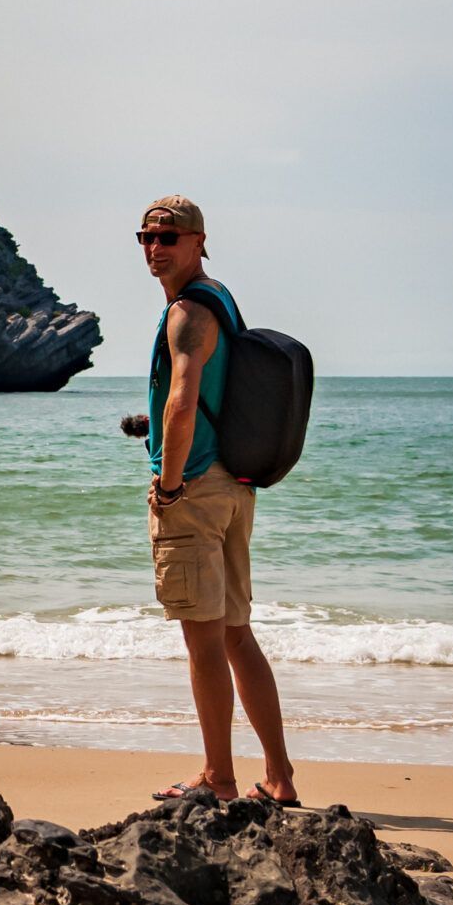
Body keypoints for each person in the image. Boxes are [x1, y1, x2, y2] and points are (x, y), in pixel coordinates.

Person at [138, 194, 298, 805]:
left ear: (200, 242)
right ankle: (278, 778)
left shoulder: (187, 314)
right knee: (235, 635)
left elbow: (182, 401)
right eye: (147, 237)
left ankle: (219, 779)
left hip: (197, 491)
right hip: (233, 485)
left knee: (204, 644)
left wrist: (170, 484)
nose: (157, 248)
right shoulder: (222, 299)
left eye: (170, 237)